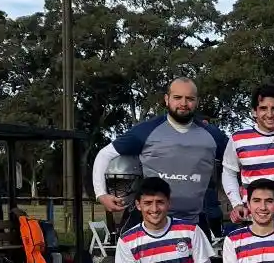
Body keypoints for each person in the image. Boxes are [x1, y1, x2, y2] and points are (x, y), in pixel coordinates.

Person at [93, 77, 228, 229]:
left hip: (194, 223)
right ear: (166, 99)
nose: (183, 103)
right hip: (149, 222)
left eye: (189, 98)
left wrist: (239, 201)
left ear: (197, 101)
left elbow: (237, 163)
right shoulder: (145, 131)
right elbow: (105, 154)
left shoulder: (212, 135)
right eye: (177, 97)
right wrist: (101, 194)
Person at [222, 84, 274, 228]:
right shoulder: (238, 139)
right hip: (253, 224)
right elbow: (228, 172)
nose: (269, 114)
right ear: (254, 111)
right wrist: (236, 203)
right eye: (263, 108)